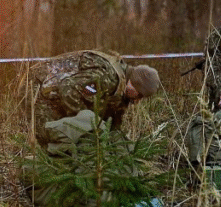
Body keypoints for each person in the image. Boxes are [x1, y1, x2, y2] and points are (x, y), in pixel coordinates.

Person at [31, 50, 160, 147]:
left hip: (57, 95)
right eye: (139, 95)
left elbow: (112, 124)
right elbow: (68, 89)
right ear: (133, 84)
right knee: (53, 141)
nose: (137, 101)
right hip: (39, 91)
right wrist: (87, 124)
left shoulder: (122, 91)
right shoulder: (107, 77)